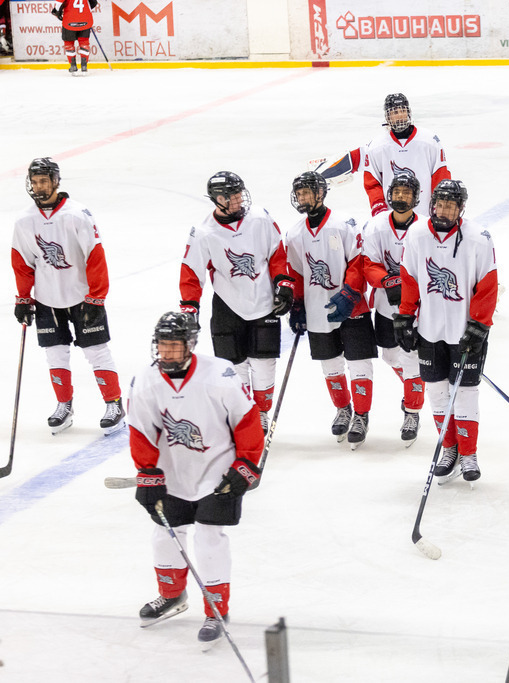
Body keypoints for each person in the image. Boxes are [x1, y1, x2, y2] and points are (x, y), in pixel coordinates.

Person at [129, 312, 263, 650]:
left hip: (216, 472)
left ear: (190, 345)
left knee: (208, 536)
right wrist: (148, 473)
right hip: (172, 472)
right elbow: (141, 431)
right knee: (164, 535)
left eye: (174, 346)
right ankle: (172, 595)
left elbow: (248, 423)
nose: (167, 354)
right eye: (162, 346)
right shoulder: (146, 380)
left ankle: (215, 609)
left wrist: (244, 467)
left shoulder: (220, 375)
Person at [11, 157, 125, 436]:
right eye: (35, 181)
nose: (39, 186)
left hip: (83, 297)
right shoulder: (25, 221)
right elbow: (22, 262)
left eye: (44, 180)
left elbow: (95, 256)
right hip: (47, 299)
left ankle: (114, 404)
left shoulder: (77, 214)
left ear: (56, 181)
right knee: (54, 353)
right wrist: (23, 299)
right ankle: (64, 405)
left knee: (96, 351)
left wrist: (97, 297)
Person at [393, 179, 497, 482]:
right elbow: (409, 277)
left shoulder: (478, 238)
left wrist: (479, 325)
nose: (443, 210)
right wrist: (404, 316)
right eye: (439, 204)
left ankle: (468, 454)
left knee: (464, 393)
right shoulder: (416, 234)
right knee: (437, 392)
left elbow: (487, 285)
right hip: (429, 330)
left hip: (465, 332)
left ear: (460, 209)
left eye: (450, 205)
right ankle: (448, 447)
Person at [179, 171, 294, 432]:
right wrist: (189, 307)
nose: (240, 199)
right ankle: (244, 414)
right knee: (235, 367)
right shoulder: (203, 233)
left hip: (265, 303)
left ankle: (262, 413)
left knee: (264, 366)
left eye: (241, 193)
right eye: (234, 196)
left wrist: (284, 284)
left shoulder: (260, 218)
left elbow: (277, 253)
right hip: (228, 306)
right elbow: (191, 272)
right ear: (219, 199)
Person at [284, 171, 378, 448]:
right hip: (317, 309)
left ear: (321, 193)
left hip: (353, 306)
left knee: (359, 362)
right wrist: (298, 305)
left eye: (306, 193)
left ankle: (361, 415)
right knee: (331, 364)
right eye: (298, 194)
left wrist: (349, 294)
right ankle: (343, 408)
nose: (302, 198)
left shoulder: (343, 224)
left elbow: (358, 262)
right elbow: (297, 273)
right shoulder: (294, 233)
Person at [361, 171, 426, 446]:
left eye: (406, 193)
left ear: (416, 197)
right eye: (397, 192)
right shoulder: (376, 226)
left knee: (411, 362)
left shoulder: (425, 227)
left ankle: (412, 410)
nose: (401, 197)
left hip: (418, 310)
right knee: (389, 356)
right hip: (386, 309)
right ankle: (419, 385)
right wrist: (387, 280)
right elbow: (368, 264)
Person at [362, 93, 451, 216]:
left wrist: (439, 205)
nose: (400, 116)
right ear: (387, 117)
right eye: (394, 112)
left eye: (403, 111)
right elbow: (372, 181)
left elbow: (440, 174)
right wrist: (379, 209)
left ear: (409, 112)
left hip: (425, 215)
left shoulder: (429, 141)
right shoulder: (377, 146)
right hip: (392, 216)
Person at [51, 0, 98, 74]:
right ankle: (84, 66)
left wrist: (57, 12)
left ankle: (73, 65)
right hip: (85, 20)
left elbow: (58, 4)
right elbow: (94, 3)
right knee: (84, 42)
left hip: (69, 21)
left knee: (69, 43)